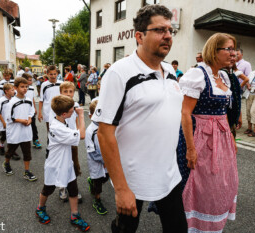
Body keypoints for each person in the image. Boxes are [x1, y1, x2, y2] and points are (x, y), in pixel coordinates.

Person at [92, 5, 187, 233]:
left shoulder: (171, 71)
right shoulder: (119, 72)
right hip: (133, 179)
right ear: (139, 36)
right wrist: (121, 189)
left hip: (169, 175)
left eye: (170, 30)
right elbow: (104, 134)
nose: (167, 36)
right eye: (159, 30)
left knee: (178, 229)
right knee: (125, 230)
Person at [179, 33, 239, 232]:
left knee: (219, 185)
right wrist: (190, 148)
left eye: (234, 49)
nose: (234, 54)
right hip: (201, 138)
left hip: (221, 138)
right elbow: (185, 113)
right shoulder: (197, 75)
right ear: (214, 50)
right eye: (229, 49)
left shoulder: (222, 76)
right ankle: (194, 225)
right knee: (202, 186)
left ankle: (212, 225)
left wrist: (230, 137)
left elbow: (223, 113)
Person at [35, 95, 89, 232]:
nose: (75, 112)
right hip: (55, 165)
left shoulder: (59, 120)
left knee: (73, 190)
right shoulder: (58, 127)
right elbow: (81, 135)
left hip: (66, 163)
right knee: (48, 189)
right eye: (72, 111)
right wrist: (82, 116)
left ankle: (74, 215)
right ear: (64, 114)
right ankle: (40, 208)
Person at [48, 82, 83, 203]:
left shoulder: (76, 105)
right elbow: (53, 125)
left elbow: (77, 120)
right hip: (61, 140)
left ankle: (74, 188)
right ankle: (62, 187)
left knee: (74, 164)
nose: (68, 94)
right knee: (61, 165)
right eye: (65, 91)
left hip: (72, 138)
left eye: (71, 91)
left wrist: (78, 130)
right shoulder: (58, 107)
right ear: (60, 93)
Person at [2, 77, 37, 182]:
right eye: (22, 87)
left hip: (26, 131)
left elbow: (31, 112)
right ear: (16, 88)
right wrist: (22, 120)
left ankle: (27, 171)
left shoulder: (29, 100)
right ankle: (6, 163)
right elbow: (9, 118)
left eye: (26, 86)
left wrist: (30, 119)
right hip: (15, 131)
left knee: (27, 152)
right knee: (11, 151)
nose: (25, 89)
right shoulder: (11, 102)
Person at [86, 100, 109, 215]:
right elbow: (92, 152)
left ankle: (91, 181)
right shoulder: (90, 131)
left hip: (107, 161)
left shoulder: (107, 127)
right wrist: (104, 161)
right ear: (91, 116)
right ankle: (97, 200)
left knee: (106, 178)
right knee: (98, 183)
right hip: (97, 162)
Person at [38, 65, 62, 132]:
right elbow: (41, 100)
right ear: (47, 74)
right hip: (48, 111)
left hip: (60, 111)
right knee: (50, 131)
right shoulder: (44, 85)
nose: (53, 76)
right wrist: (39, 113)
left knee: (60, 131)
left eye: (55, 74)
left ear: (57, 74)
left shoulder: (61, 83)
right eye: (51, 74)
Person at [22, 73, 42, 149]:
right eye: (29, 80)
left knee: (33, 126)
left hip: (30, 110)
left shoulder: (32, 88)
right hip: (23, 110)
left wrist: (35, 108)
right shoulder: (19, 89)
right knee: (23, 126)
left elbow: (32, 98)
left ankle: (35, 140)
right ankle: (22, 141)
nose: (31, 82)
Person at [0, 83, 15, 156]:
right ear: (6, 91)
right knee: (4, 136)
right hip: (4, 122)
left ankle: (11, 151)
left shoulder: (14, 99)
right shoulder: (1, 100)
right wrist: (3, 123)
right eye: (12, 90)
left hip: (12, 122)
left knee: (11, 136)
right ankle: (1, 145)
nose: (14, 91)